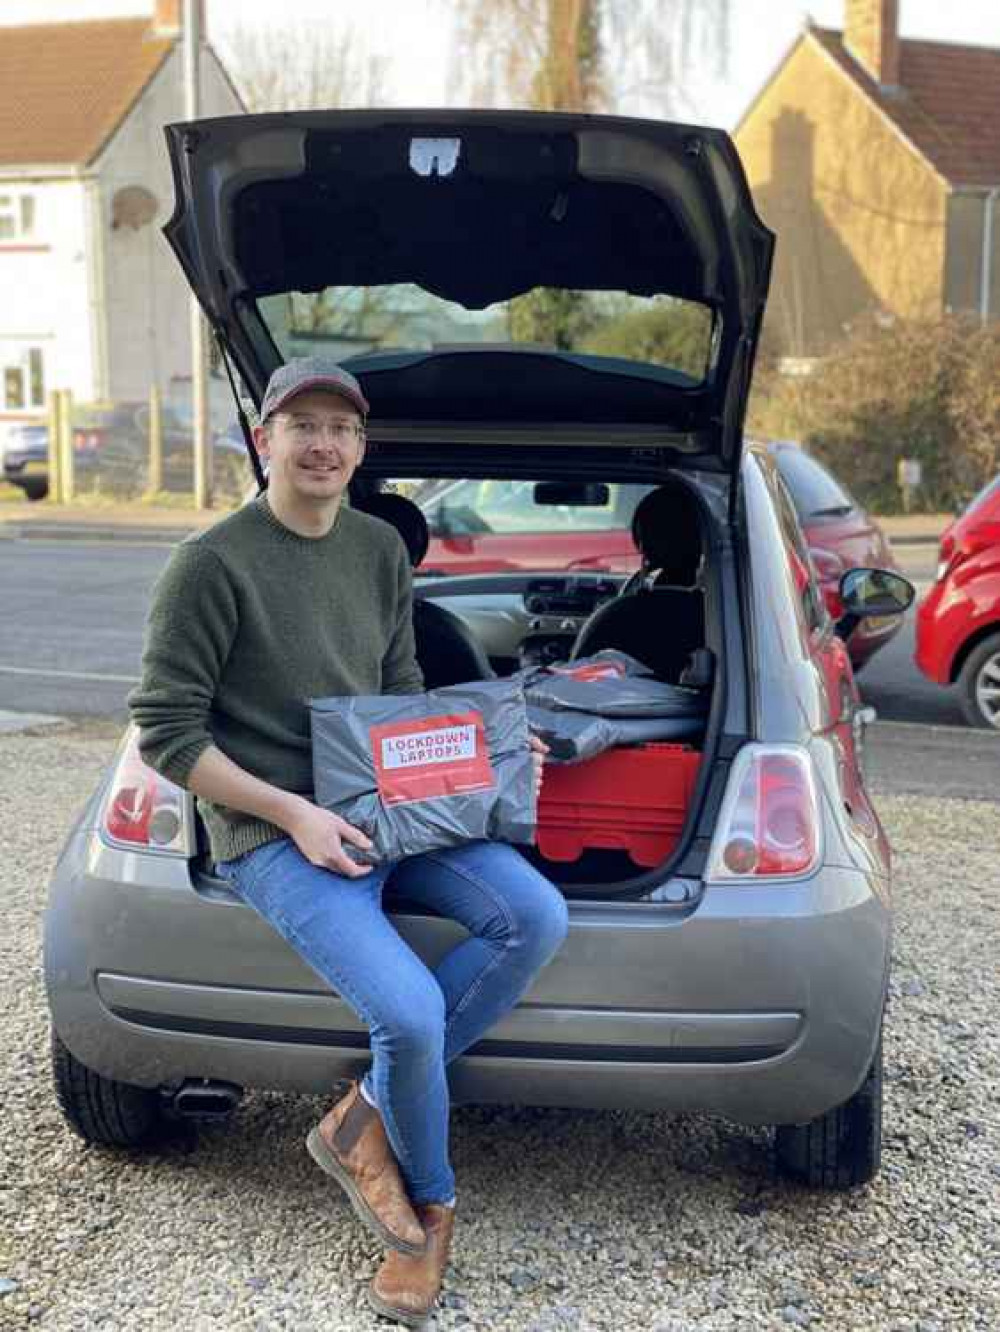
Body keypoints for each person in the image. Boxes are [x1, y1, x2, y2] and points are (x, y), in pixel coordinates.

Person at [128, 357, 569, 1326]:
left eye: (342, 428)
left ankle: (362, 1114)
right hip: (271, 830)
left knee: (534, 912)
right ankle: (427, 1214)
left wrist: (488, 755)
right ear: (264, 440)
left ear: (361, 450)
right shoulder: (209, 564)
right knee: (409, 1013)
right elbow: (166, 731)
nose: (322, 444)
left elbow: (400, 696)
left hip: (384, 805)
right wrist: (292, 813)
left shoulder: (376, 550)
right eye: (303, 425)